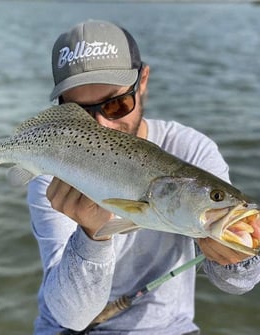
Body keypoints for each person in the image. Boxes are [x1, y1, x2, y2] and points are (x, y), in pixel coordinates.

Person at [27, 20, 260, 335]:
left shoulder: (192, 150)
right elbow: (71, 316)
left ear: (144, 80)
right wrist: (92, 236)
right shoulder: (52, 170)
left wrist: (239, 260)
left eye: (115, 104)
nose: (101, 126)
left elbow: (236, 284)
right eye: (80, 112)